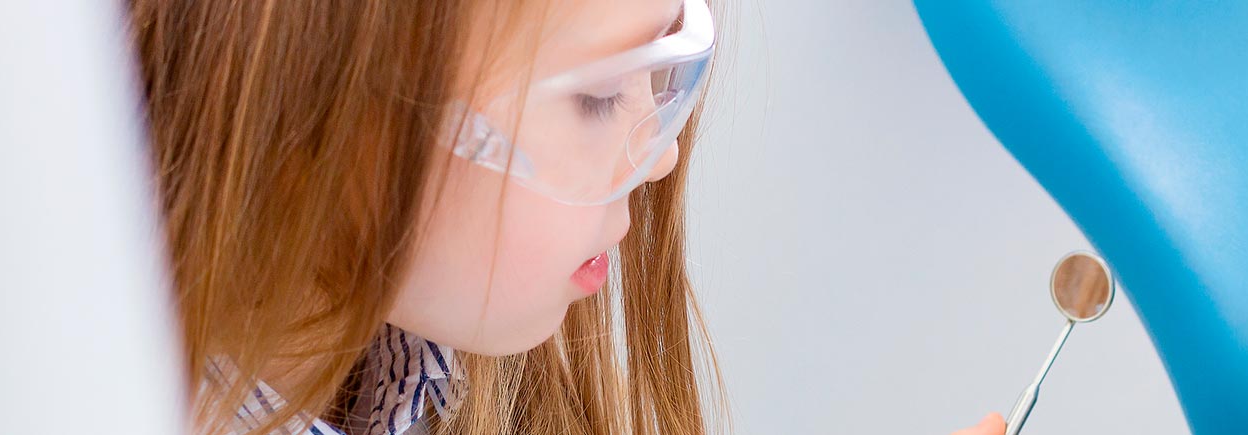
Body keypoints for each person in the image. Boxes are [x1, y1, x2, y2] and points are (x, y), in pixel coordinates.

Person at [127, 0, 1006, 433]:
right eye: (595, 97)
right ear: (329, 112)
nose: (659, 152)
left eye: (669, 63)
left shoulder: (423, 370)